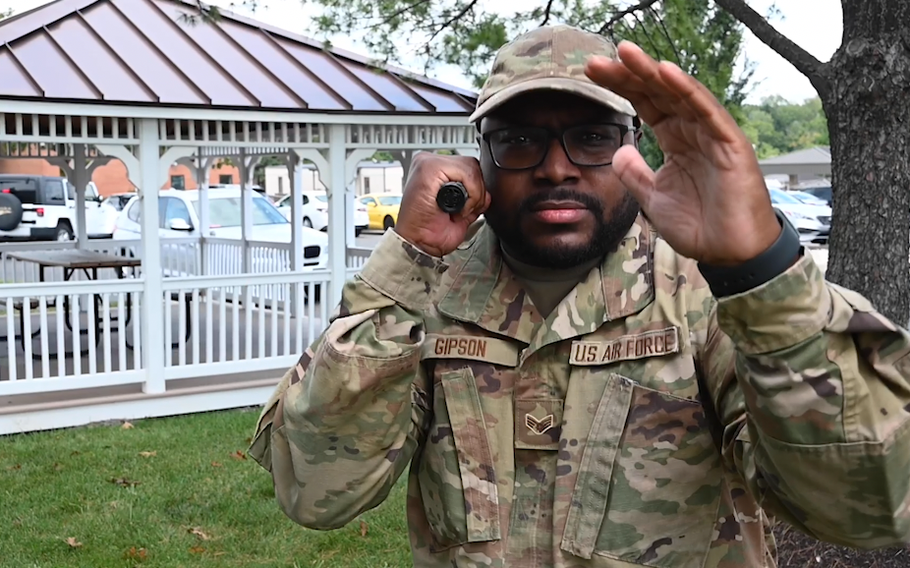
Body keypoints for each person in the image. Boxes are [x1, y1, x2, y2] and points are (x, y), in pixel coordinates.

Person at [249, 24, 910, 568]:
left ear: (632, 148)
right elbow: (317, 494)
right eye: (521, 139)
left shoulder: (712, 295)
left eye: (591, 137)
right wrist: (410, 256)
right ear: (478, 158)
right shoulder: (430, 296)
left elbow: (869, 509)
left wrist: (762, 269)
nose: (556, 166)